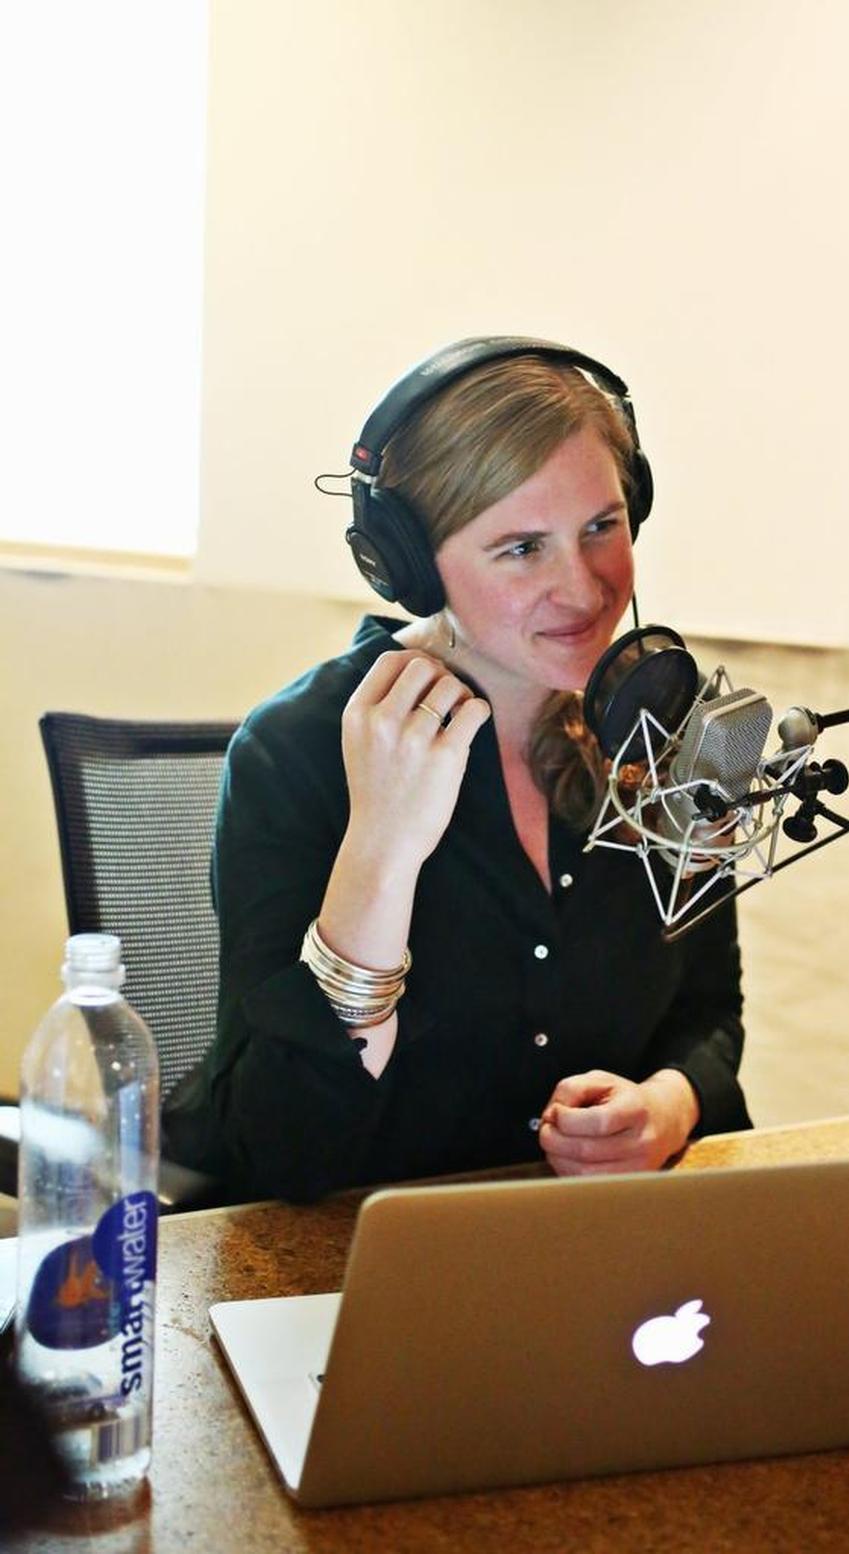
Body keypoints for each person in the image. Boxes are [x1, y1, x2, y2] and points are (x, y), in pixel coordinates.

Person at [162, 337, 752, 1202]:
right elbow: (283, 1151)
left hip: (586, 1235)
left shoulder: (668, 721)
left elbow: (708, 1011)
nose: (584, 588)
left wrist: (667, 1106)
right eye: (521, 548)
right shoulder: (294, 751)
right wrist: (382, 849)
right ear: (410, 565)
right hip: (349, 1248)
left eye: (602, 526)